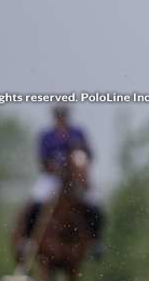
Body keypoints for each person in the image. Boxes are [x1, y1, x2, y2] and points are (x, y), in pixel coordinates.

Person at [18, 104, 105, 261]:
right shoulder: (46, 136)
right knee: (36, 201)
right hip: (52, 178)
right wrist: (55, 168)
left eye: (64, 116)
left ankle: (95, 242)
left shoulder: (78, 133)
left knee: (95, 203)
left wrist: (79, 165)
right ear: (54, 117)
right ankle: (28, 240)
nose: (61, 119)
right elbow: (42, 160)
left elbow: (88, 155)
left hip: (75, 179)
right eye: (59, 116)